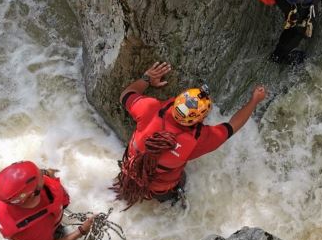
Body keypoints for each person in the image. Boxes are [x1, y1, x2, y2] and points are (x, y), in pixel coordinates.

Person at [113, 61, 266, 208]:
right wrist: (254, 101)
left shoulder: (149, 110)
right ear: (199, 119)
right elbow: (233, 126)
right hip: (162, 191)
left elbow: (126, 94)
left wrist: (146, 78)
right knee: (179, 182)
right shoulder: (197, 139)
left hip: (129, 173)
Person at [0, 161, 95, 240]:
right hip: (42, 234)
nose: (43, 177)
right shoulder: (37, 228)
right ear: (33, 194)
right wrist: (81, 231)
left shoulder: (2, 193)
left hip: (36, 227)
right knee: (57, 237)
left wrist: (45, 172)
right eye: (40, 179)